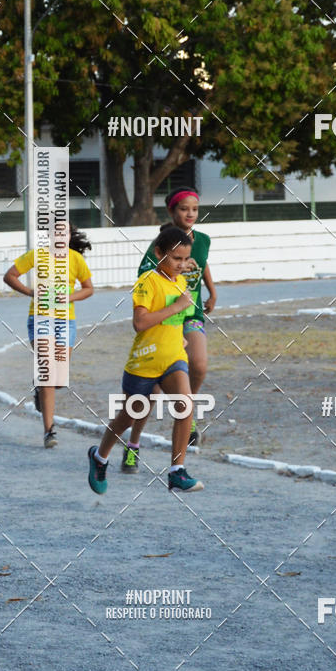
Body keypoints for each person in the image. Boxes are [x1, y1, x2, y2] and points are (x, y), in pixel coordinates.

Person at [88, 224, 204, 494]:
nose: (181, 264)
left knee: (185, 406)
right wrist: (176, 307)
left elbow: (173, 320)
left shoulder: (182, 281)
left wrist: (180, 336)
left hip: (173, 358)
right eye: (176, 258)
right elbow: (140, 323)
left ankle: (176, 470)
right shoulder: (146, 282)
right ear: (158, 253)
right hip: (144, 362)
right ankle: (99, 457)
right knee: (128, 417)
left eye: (185, 259)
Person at [120, 186, 216, 473]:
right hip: (163, 318)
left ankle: (189, 415)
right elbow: (144, 276)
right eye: (184, 209)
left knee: (199, 364)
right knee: (149, 395)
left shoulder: (203, 240)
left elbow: (204, 264)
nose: (190, 213)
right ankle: (133, 444)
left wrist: (212, 291)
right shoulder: (161, 245)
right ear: (173, 212)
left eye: (195, 209)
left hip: (191, 312)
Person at [3, 224, 93, 447]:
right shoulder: (37, 255)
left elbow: (89, 288)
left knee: (58, 378)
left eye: (65, 232)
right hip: (40, 318)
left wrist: (70, 298)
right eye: (57, 232)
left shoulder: (75, 260)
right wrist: (31, 292)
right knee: (48, 374)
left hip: (65, 321)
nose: (61, 236)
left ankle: (40, 390)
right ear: (50, 236)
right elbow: (10, 276)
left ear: (70, 236)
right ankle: (49, 431)